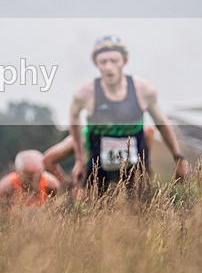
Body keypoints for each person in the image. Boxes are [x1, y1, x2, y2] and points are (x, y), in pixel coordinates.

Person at [69, 35, 188, 193]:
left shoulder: (144, 90)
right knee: (96, 212)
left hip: (136, 162)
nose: (109, 67)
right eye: (103, 62)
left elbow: (162, 124)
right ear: (96, 64)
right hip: (98, 163)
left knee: (140, 210)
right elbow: (73, 119)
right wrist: (79, 159)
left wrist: (178, 157)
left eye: (114, 61)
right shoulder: (84, 93)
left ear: (124, 61)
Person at [43, 126, 155, 189]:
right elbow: (48, 159)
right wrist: (71, 187)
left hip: (127, 196)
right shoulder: (85, 135)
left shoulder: (142, 132)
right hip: (95, 196)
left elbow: (48, 159)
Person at [0, 150, 61, 217]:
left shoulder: (51, 184)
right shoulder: (7, 186)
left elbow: (61, 211)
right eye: (29, 178)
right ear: (18, 173)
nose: (33, 181)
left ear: (42, 172)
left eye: (37, 177)